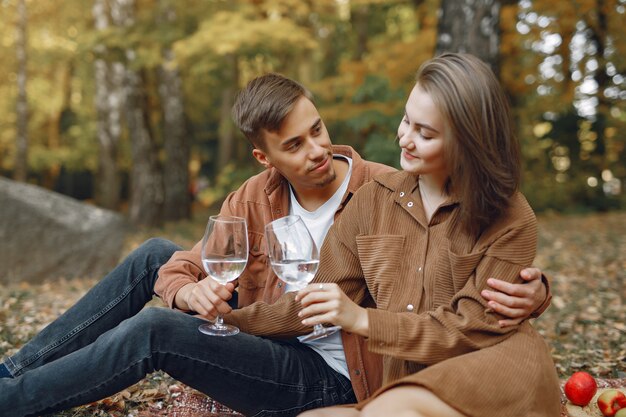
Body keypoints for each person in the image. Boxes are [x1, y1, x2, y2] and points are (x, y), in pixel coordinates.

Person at [0, 72, 550, 417]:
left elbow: (461, 283)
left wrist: (536, 291)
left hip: (335, 370)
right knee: (153, 254)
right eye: (294, 144)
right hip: (277, 328)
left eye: (317, 129)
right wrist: (189, 298)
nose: (316, 150)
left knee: (153, 331)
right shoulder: (255, 196)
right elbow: (189, 267)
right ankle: (16, 372)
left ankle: (10, 400)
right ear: (266, 158)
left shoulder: (382, 186)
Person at [220, 55, 561, 417]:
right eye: (405, 120)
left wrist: (362, 320)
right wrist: (224, 322)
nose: (405, 138)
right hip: (402, 383)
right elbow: (310, 303)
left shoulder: (510, 215)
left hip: (490, 367)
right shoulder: (371, 200)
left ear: (467, 142)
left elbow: (469, 329)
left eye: (424, 133)